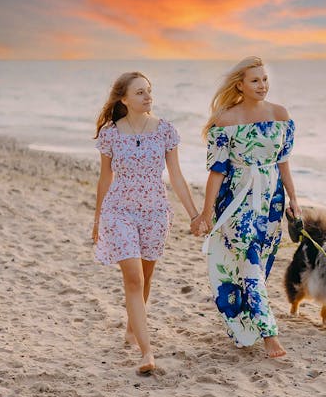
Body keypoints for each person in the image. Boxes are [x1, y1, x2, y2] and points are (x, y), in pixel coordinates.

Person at [93, 71, 201, 375]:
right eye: (140, 92)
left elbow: (177, 177)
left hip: (155, 212)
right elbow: (105, 178)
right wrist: (98, 218)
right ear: (123, 98)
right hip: (119, 212)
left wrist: (194, 214)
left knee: (146, 278)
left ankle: (132, 327)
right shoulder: (110, 134)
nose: (147, 96)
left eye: (149, 91)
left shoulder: (165, 130)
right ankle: (146, 351)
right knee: (134, 280)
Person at [193, 56, 300, 358]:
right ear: (239, 84)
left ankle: (244, 323)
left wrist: (294, 200)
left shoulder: (281, 115)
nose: (262, 85)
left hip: (271, 198)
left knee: (258, 263)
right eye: (255, 80)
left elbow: (283, 162)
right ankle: (270, 335)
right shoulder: (225, 120)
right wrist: (206, 212)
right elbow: (217, 170)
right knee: (249, 259)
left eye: (265, 79)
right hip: (236, 197)